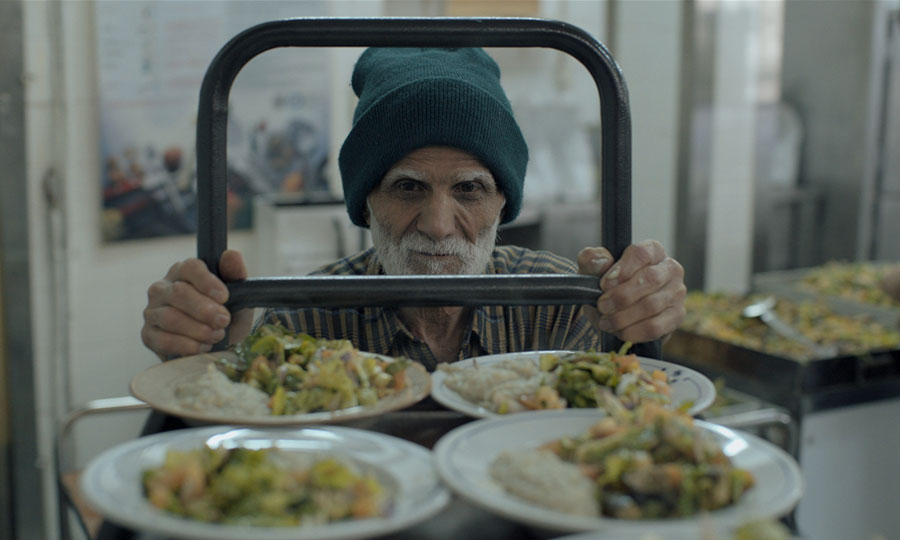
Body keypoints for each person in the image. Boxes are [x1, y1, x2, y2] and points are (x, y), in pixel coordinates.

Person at [141, 47, 686, 370]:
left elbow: (629, 429)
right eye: (407, 188)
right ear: (366, 203)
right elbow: (240, 462)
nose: (438, 225)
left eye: (470, 190)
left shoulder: (562, 303)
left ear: (503, 202)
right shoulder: (304, 319)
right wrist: (209, 358)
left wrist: (641, 318)